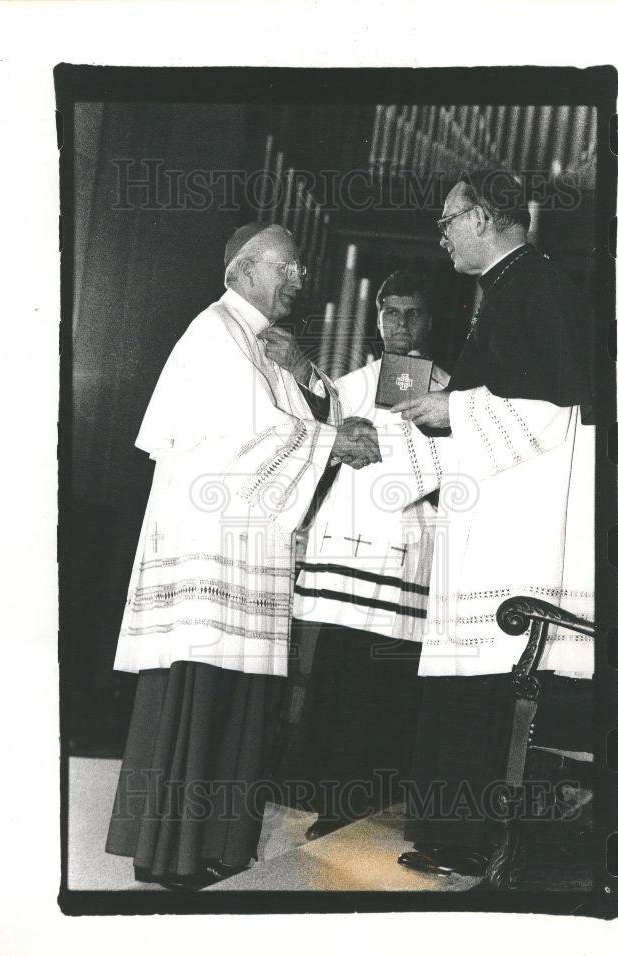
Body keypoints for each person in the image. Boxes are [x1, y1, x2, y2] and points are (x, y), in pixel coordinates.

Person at [105, 221, 381, 890]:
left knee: (247, 691)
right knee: (200, 687)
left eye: (299, 269)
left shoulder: (262, 341)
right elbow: (250, 429)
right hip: (210, 547)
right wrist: (328, 444)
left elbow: (305, 410)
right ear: (243, 272)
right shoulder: (214, 332)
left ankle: (222, 843)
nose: (299, 278)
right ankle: (169, 848)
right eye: (286, 266)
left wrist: (318, 412)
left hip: (248, 545)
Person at [378, 171, 596, 878]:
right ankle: (452, 834)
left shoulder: (541, 286)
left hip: (517, 531)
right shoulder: (508, 288)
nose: (440, 234)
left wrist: (456, 410)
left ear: (483, 218)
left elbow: (559, 409)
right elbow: (510, 392)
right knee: (466, 678)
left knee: (486, 680)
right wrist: (451, 400)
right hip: (490, 517)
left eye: (448, 220)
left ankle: (471, 838)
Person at [274, 271, 450, 839]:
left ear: (430, 320)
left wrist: (368, 447)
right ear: (376, 317)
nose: (399, 325)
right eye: (390, 313)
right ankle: (321, 787)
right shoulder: (354, 381)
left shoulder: (445, 388)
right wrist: (332, 435)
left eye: (411, 314)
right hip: (346, 546)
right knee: (337, 668)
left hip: (399, 549)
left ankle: (364, 796)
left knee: (378, 676)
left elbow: (434, 463)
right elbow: (319, 423)